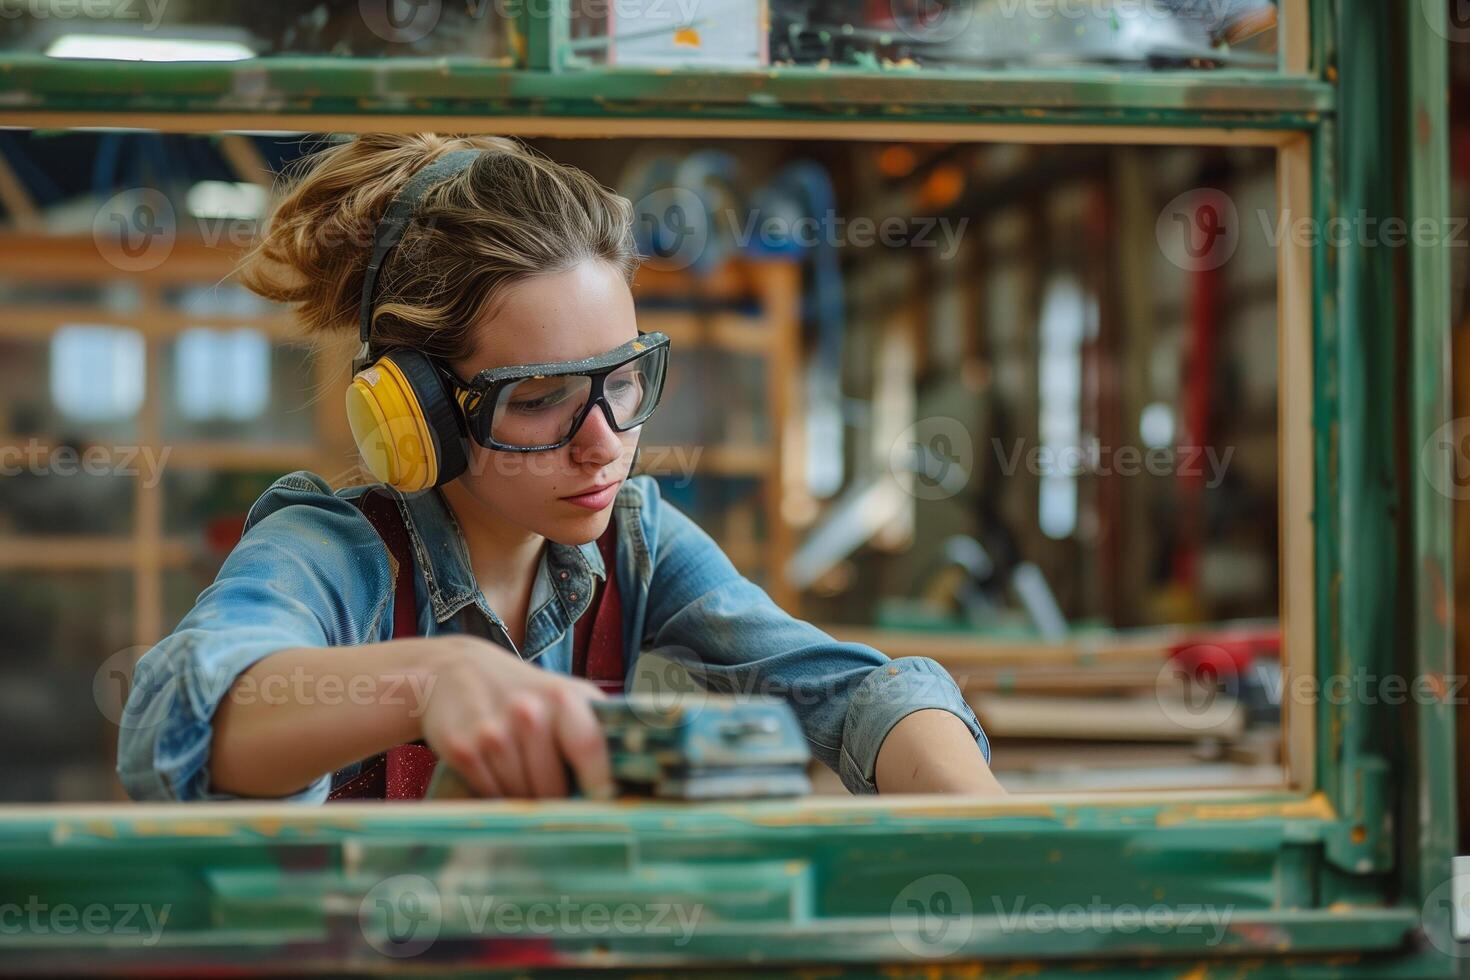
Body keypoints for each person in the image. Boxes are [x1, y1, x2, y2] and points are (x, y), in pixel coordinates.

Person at [115, 133, 1003, 802]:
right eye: (538, 398)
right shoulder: (336, 554)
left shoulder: (635, 542)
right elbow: (177, 722)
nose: (604, 440)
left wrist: (990, 827)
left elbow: (848, 693)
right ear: (419, 412)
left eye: (622, 382)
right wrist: (434, 681)